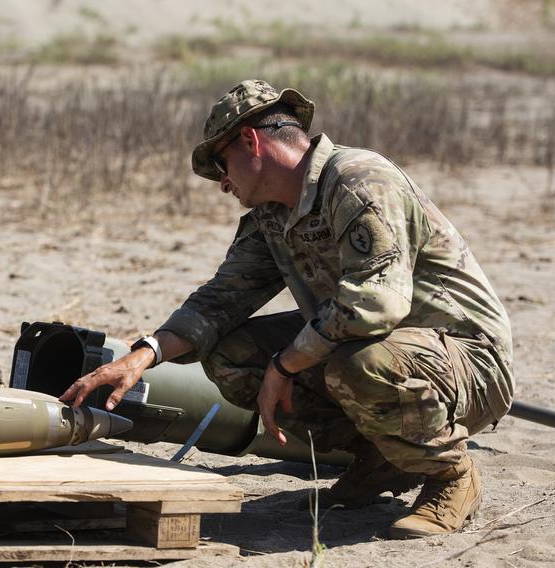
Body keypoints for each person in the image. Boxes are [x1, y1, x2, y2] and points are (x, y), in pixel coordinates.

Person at [59, 79, 514, 539]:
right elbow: (221, 301)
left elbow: (377, 302)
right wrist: (141, 357)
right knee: (230, 355)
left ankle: (451, 474)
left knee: (357, 362)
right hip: (381, 350)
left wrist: (285, 364)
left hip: (467, 361)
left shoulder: (358, 180)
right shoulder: (273, 215)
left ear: (251, 141)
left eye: (222, 165)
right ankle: (384, 460)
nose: (223, 184)